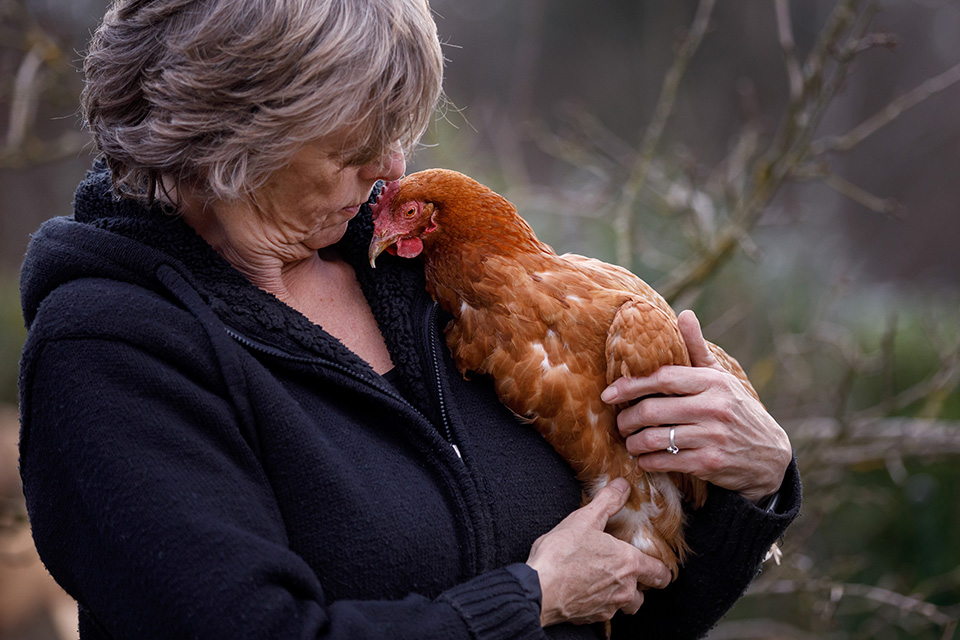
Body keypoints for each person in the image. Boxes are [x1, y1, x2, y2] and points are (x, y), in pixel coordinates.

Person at [17, 0, 800, 638]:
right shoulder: (110, 352)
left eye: (397, 131)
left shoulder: (428, 282)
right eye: (357, 140)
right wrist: (527, 599)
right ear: (235, 138)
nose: (391, 167)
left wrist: (754, 483)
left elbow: (635, 610)